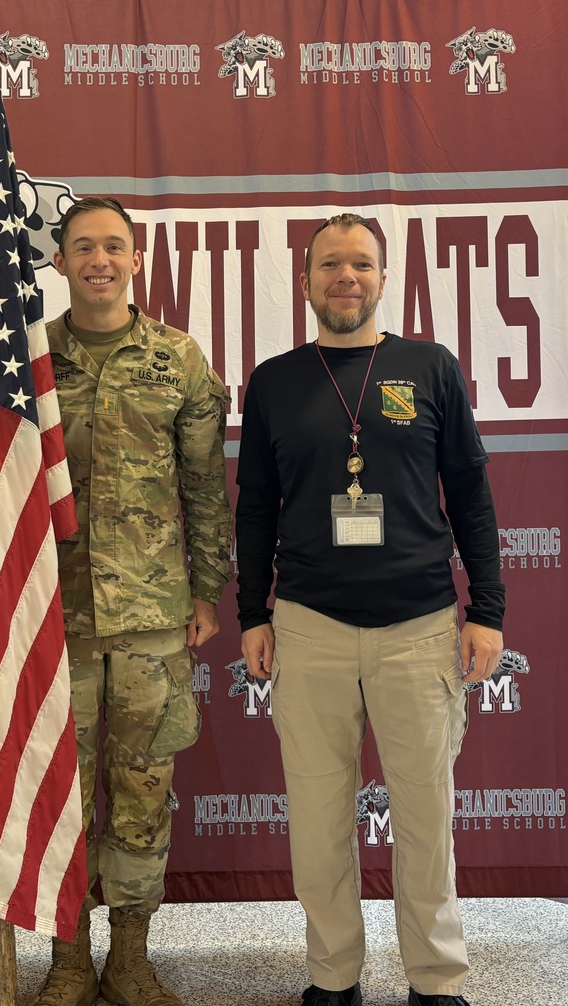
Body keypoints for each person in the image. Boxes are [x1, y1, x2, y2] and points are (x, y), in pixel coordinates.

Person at [236, 213, 505, 1006]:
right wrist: (253, 612)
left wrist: (484, 608)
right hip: (308, 627)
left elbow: (472, 494)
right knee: (318, 825)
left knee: (424, 822)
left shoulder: (428, 367)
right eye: (329, 265)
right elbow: (255, 508)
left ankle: (434, 980)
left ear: (384, 278)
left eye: (360, 264)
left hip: (419, 627)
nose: (344, 277)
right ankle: (333, 978)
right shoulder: (275, 381)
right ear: (307, 279)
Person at [36, 197, 233, 1006]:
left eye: (113, 246)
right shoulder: (29, 361)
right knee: (65, 800)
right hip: (56, 621)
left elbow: (202, 485)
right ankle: (71, 959)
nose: (99, 260)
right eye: (83, 247)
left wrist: (207, 588)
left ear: (135, 258)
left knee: (145, 790)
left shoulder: (178, 359)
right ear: (59, 262)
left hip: (153, 618)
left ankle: (129, 955)